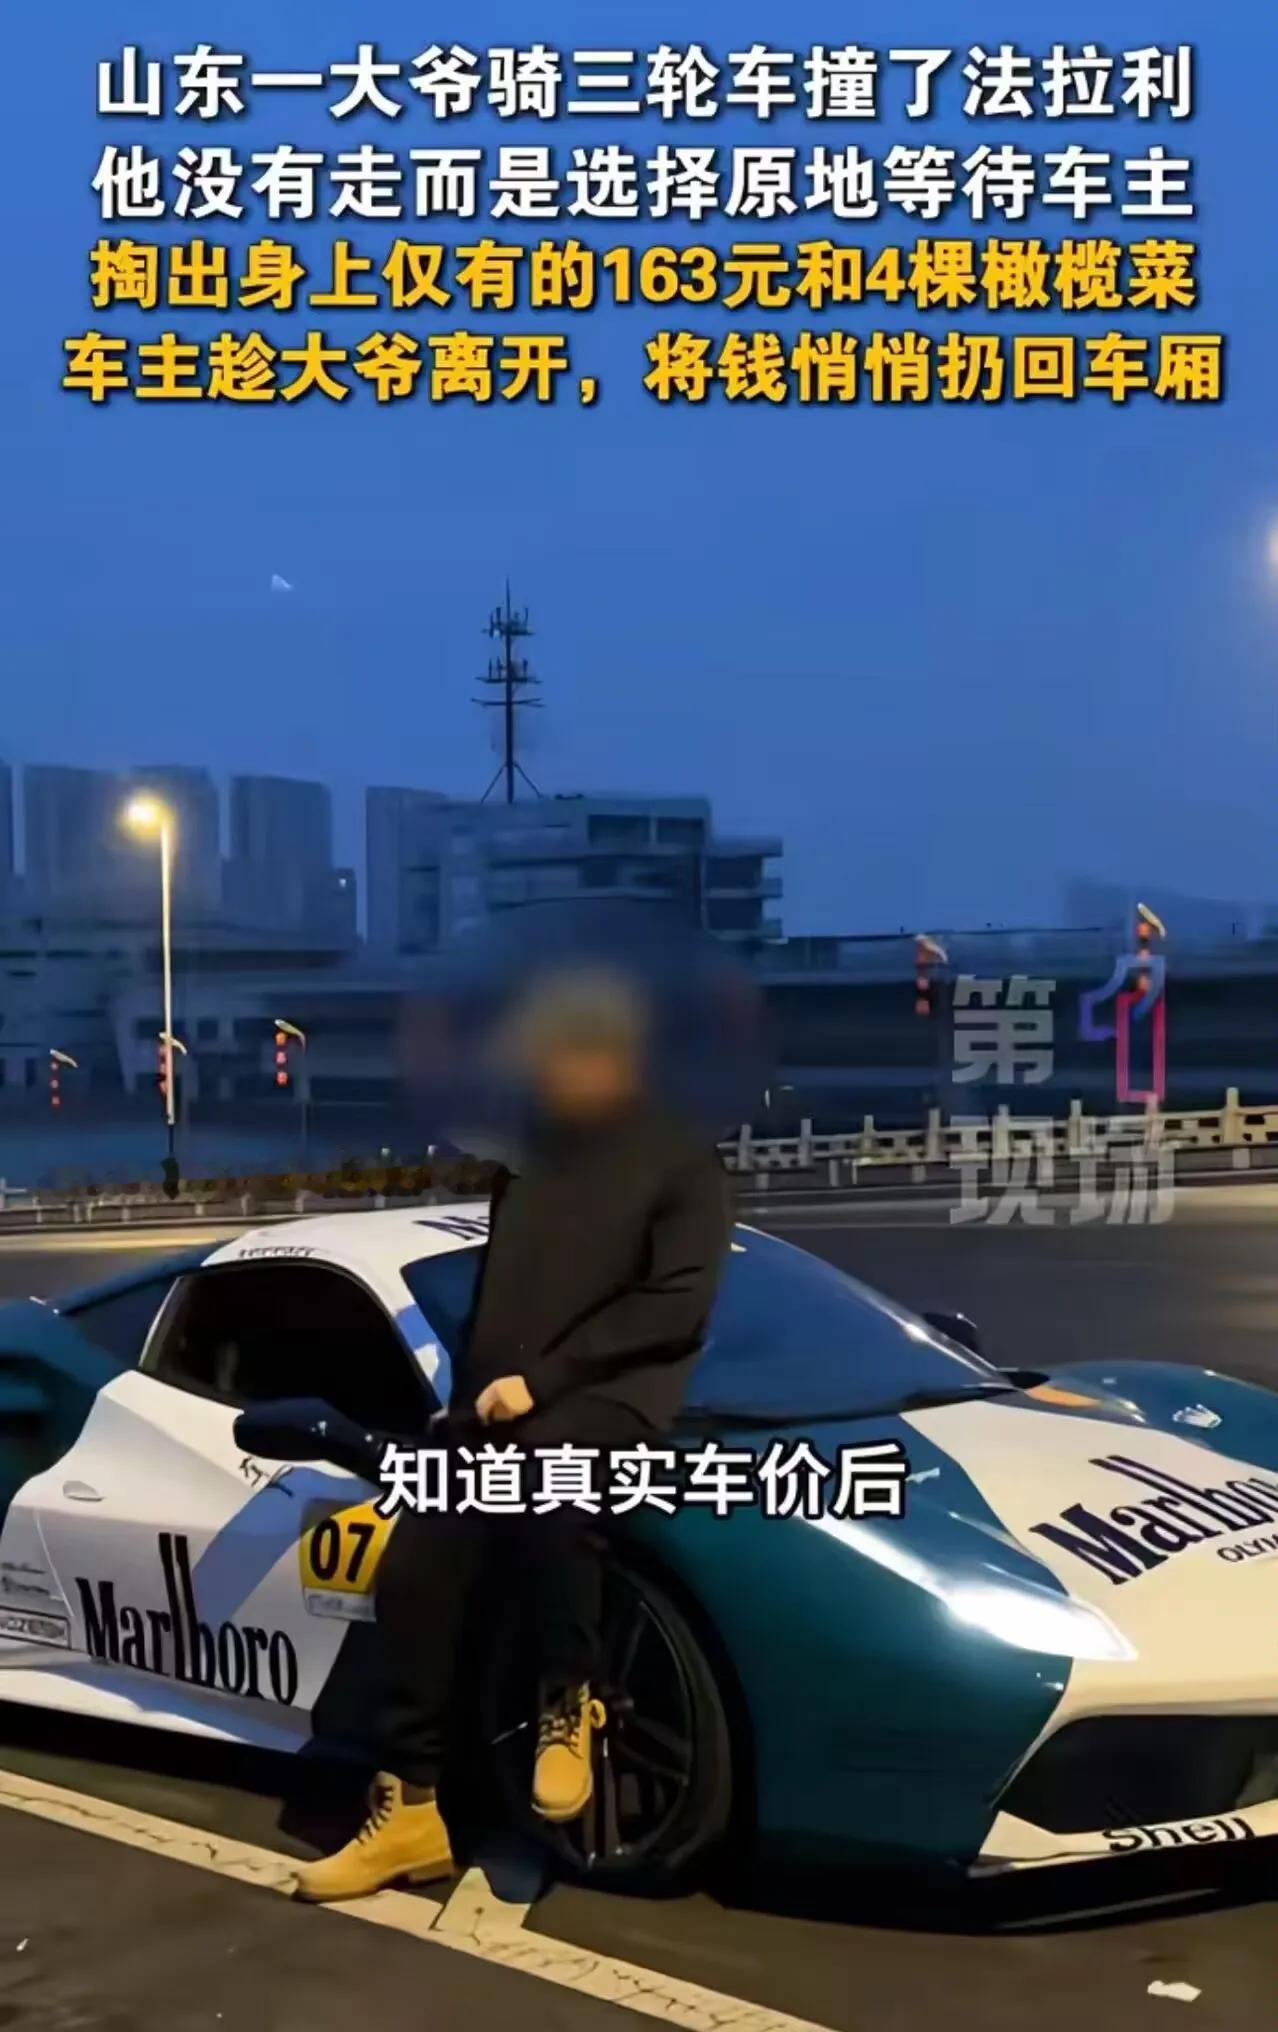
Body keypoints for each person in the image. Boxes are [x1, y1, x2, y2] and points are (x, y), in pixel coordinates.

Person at [253, 969, 733, 1904]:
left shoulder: (682, 1161)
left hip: (610, 1403)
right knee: (414, 1567)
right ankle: (411, 1813)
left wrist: (544, 1382)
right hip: (496, 1410)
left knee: (551, 1495)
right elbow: (502, 1306)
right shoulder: (530, 1162)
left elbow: (675, 1305)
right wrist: (465, 1403)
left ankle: (568, 1698)